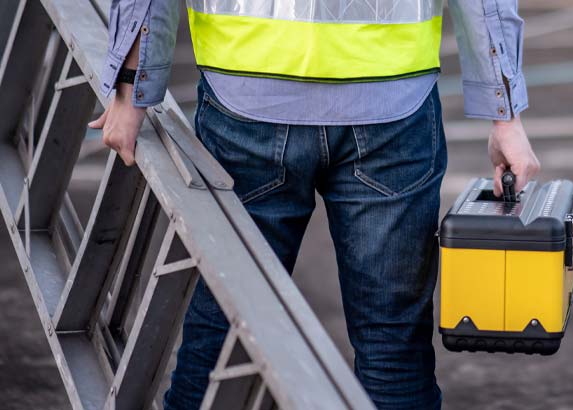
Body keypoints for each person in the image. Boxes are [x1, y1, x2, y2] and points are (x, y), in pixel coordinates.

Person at [89, 0, 538, 408]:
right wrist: (506, 115)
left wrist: (133, 87)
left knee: (224, 331)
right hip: (391, 107)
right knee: (392, 347)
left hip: (245, 102)